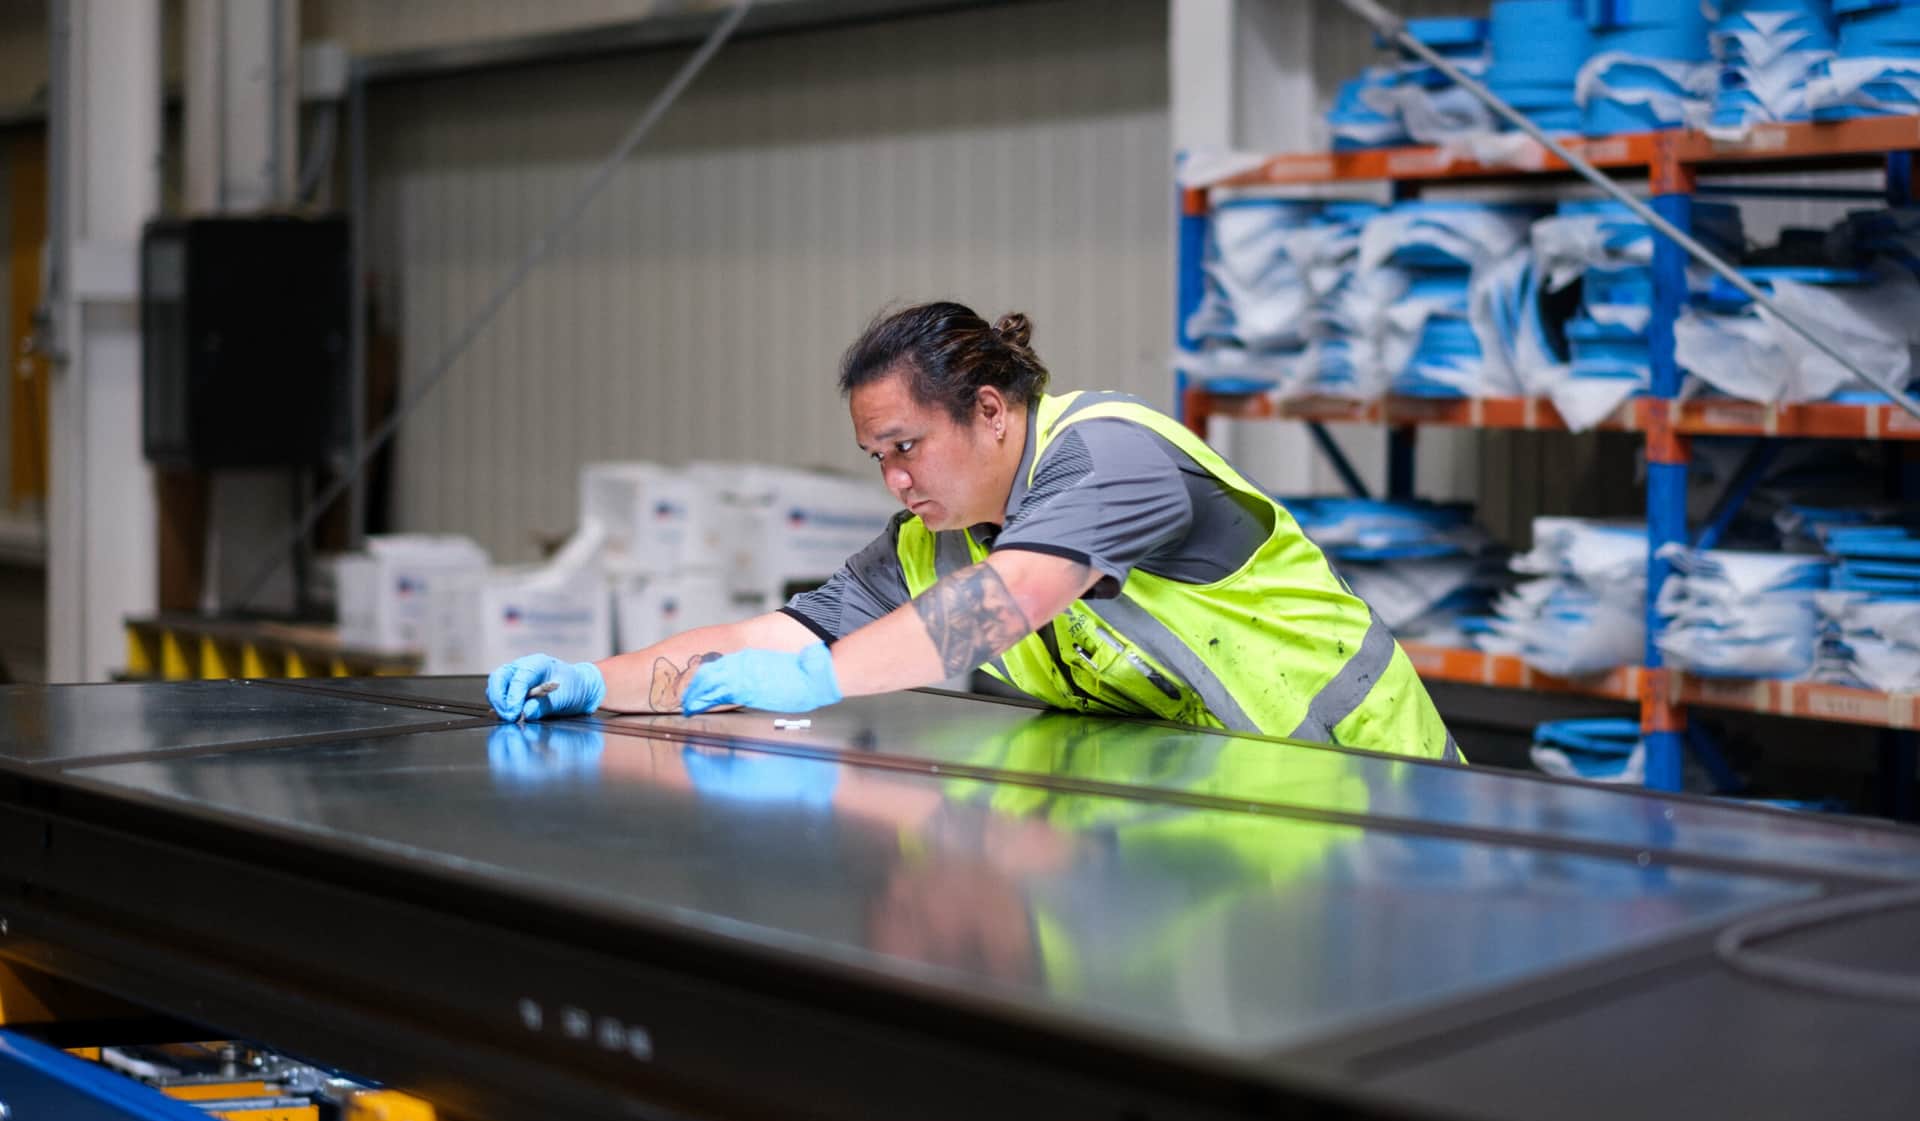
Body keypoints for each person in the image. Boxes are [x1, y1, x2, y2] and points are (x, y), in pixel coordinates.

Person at [486, 301, 1459, 761]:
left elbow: (1014, 597)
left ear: (991, 409)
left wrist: (822, 681)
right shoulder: (932, 541)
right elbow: (764, 638)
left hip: (1375, 778)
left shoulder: (1109, 454)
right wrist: (592, 682)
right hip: (1235, 803)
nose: (898, 478)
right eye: (878, 457)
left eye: (909, 444)